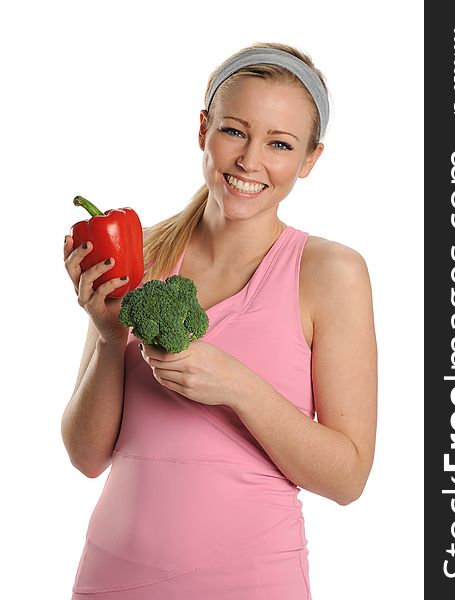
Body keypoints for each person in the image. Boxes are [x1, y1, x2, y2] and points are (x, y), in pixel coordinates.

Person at [62, 41, 377, 600]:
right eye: (235, 131)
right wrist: (111, 339)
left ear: (310, 159)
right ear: (204, 128)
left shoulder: (332, 273)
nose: (250, 161)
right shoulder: (139, 251)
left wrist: (238, 387)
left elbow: (348, 478)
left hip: (254, 582)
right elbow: (86, 457)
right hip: (113, 579)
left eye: (280, 144)